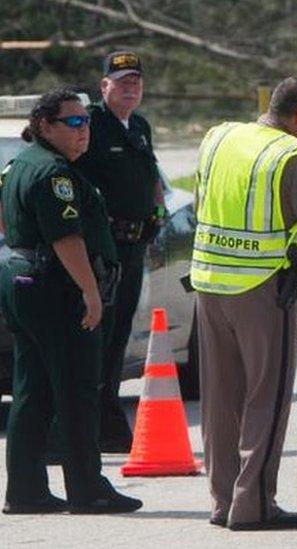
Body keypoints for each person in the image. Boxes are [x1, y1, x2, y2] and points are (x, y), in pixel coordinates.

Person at [191, 76, 297, 530]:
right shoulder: (290, 157)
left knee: (221, 399)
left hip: (208, 283)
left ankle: (222, 502)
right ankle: (254, 506)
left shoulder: (220, 138)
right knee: (268, 398)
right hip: (259, 289)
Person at [0, 88, 142, 514]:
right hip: (56, 286)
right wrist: (90, 292)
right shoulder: (54, 174)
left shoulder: (19, 164)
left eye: (87, 122)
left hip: (22, 277)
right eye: (74, 123)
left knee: (34, 388)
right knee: (78, 388)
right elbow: (67, 238)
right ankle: (87, 488)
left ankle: (26, 490)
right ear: (45, 125)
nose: (85, 131)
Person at [75, 50, 166, 454]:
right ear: (104, 86)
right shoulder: (90, 124)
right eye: (122, 80)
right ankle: (91, 424)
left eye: (136, 81)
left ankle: (106, 421)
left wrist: (158, 211)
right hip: (103, 250)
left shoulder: (139, 126)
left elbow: (150, 178)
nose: (130, 87)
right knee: (101, 336)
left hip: (135, 246)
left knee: (118, 338)